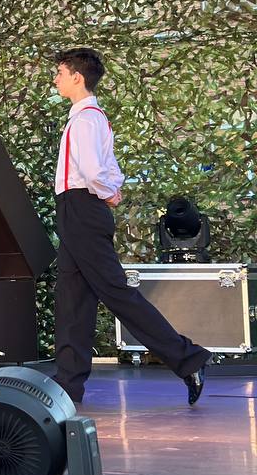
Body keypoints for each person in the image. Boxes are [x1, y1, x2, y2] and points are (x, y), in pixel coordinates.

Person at [51, 47, 210, 405]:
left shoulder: (86, 119)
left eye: (60, 72)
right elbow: (110, 168)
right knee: (72, 297)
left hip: (81, 209)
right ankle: (68, 383)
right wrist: (110, 190)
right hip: (77, 209)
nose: (56, 79)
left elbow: (94, 171)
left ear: (77, 76)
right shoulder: (90, 118)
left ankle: (189, 359)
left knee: (115, 292)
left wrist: (107, 192)